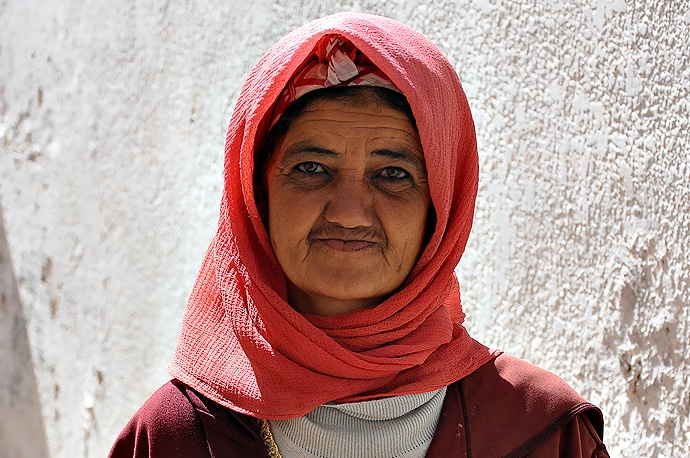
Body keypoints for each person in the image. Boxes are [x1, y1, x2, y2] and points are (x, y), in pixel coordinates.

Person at [109, 13, 609, 457]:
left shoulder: (538, 431)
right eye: (311, 167)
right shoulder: (177, 439)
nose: (349, 214)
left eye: (392, 174)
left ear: (443, 207)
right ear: (256, 198)